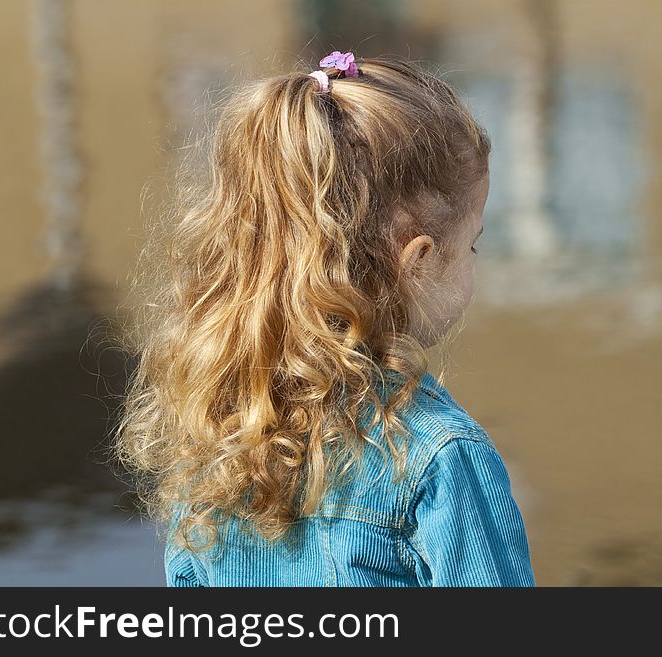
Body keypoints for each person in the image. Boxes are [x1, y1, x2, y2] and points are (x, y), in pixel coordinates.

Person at [112, 50, 536, 587]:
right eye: (472, 246)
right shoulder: (441, 457)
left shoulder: (217, 429)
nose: (475, 262)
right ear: (420, 262)